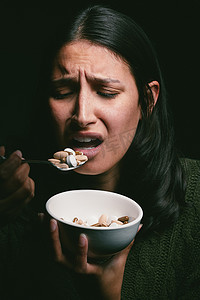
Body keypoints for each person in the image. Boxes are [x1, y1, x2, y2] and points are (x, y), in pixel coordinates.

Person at [0, 5, 199, 300]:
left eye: (106, 92)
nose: (82, 116)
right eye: (63, 91)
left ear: (147, 100)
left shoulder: (195, 196)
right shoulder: (16, 201)